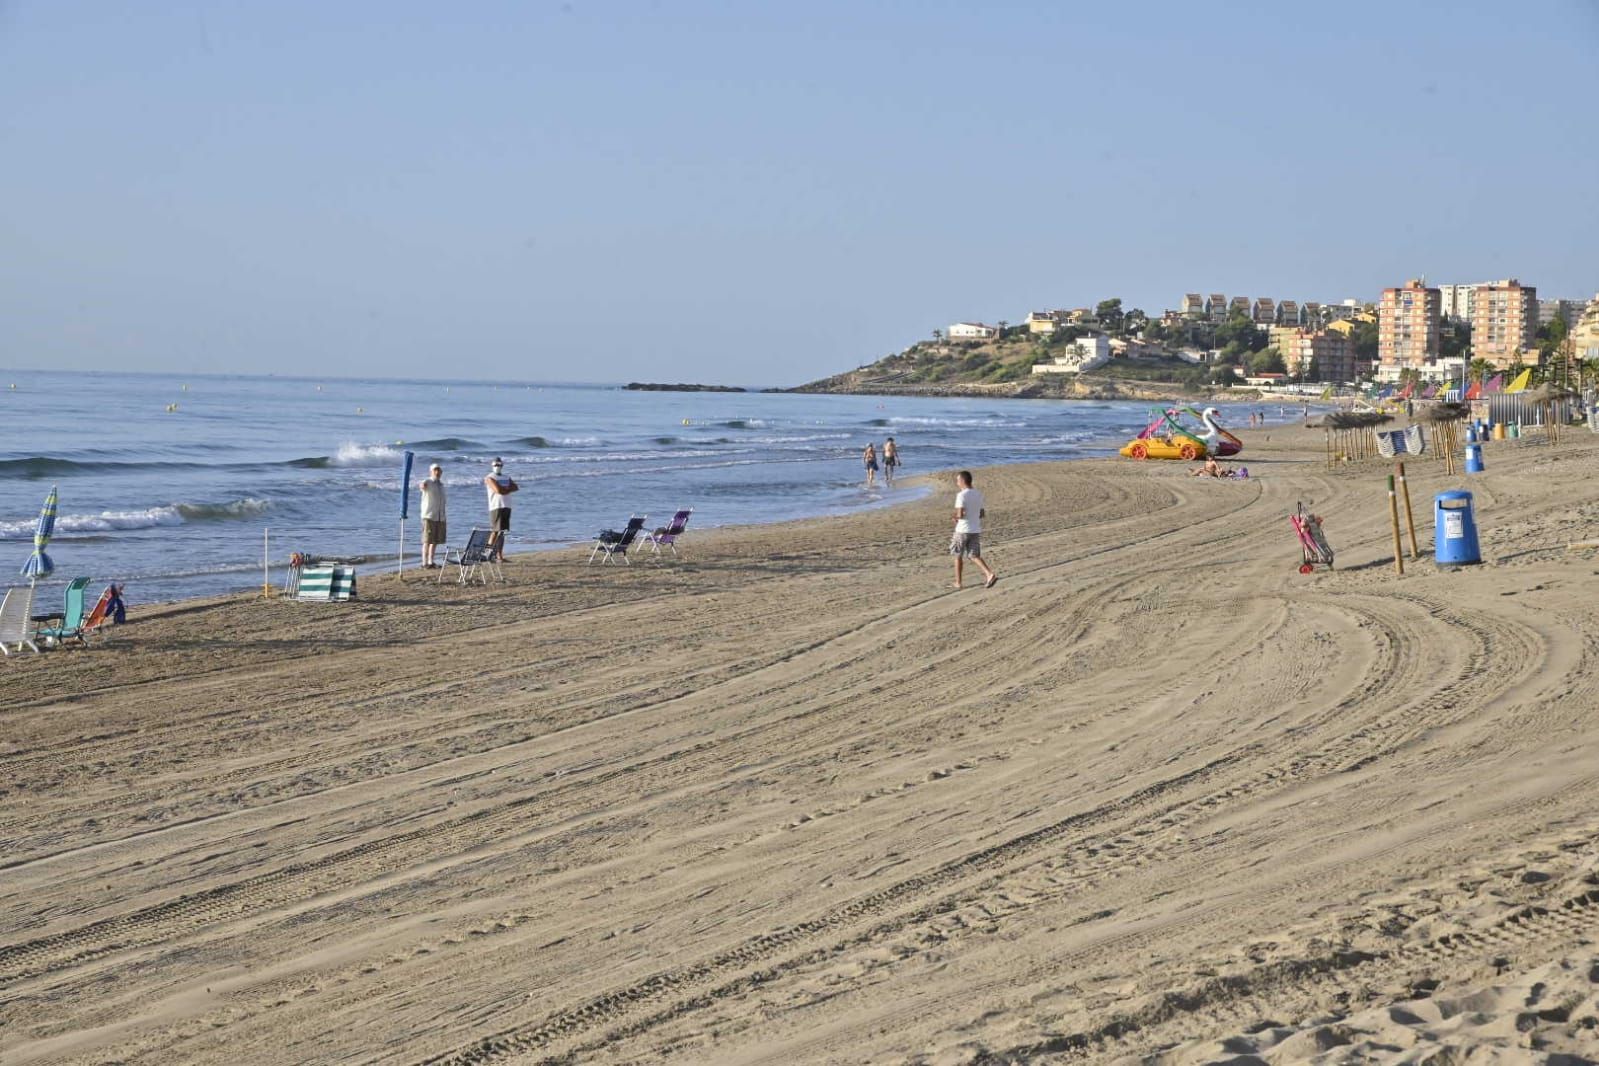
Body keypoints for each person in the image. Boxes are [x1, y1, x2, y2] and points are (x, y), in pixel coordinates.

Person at [950, 470, 997, 589]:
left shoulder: (961, 495)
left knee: (957, 555)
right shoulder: (978, 494)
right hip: (975, 529)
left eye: (958, 480)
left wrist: (955, 517)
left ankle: (958, 582)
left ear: (962, 481)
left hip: (962, 530)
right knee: (973, 555)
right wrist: (970, 514)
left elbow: (960, 514)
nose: (957, 483)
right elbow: (981, 513)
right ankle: (989, 574)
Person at [484, 457, 518, 561]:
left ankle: (499, 555)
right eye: (495, 465)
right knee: (495, 530)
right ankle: (488, 554)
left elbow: (515, 487)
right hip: (496, 506)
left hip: (506, 505)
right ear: (492, 466)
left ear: (502, 465)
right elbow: (498, 490)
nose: (497, 467)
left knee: (502, 531)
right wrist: (507, 489)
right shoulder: (489, 477)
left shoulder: (506, 477)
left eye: (499, 465)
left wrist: (505, 489)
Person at [419, 463, 447, 568]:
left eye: (439, 470)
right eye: (435, 470)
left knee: (435, 540)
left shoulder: (441, 485)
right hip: (429, 515)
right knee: (427, 540)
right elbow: (422, 485)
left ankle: (431, 561)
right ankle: (424, 562)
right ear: (431, 471)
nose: (437, 472)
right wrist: (422, 485)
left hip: (439, 515)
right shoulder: (428, 482)